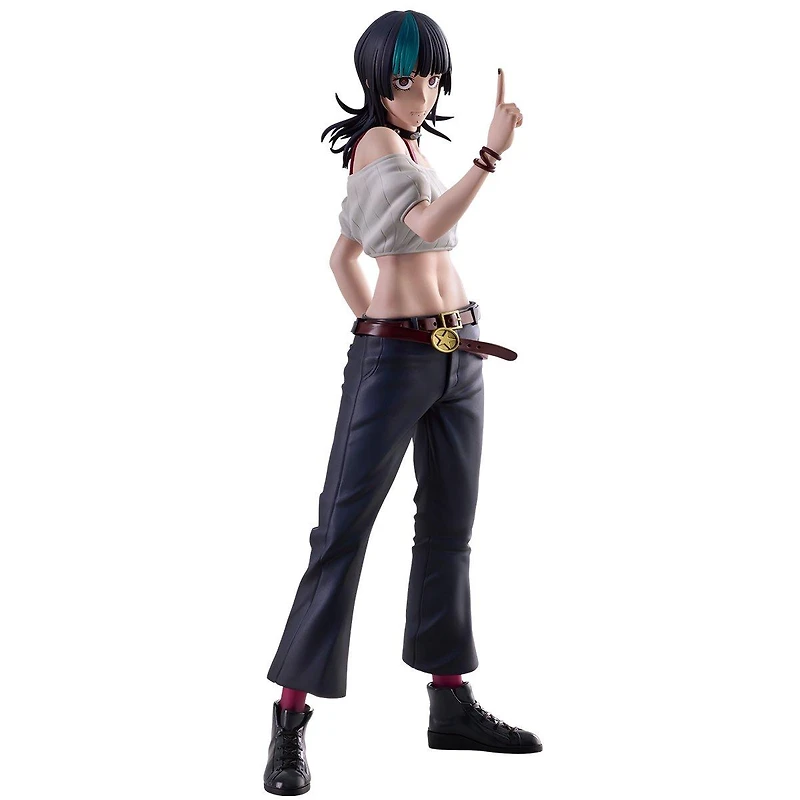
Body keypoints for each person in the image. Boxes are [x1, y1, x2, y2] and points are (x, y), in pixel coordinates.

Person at [263, 10, 540, 795]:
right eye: (406, 80)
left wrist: (382, 318)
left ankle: (449, 702)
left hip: (460, 353)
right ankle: (289, 719)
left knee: (449, 530)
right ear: (377, 81)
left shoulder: (411, 147)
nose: (422, 94)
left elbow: (342, 255)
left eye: (432, 80)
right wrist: (490, 154)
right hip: (400, 361)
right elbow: (421, 224)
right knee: (342, 531)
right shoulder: (378, 143)